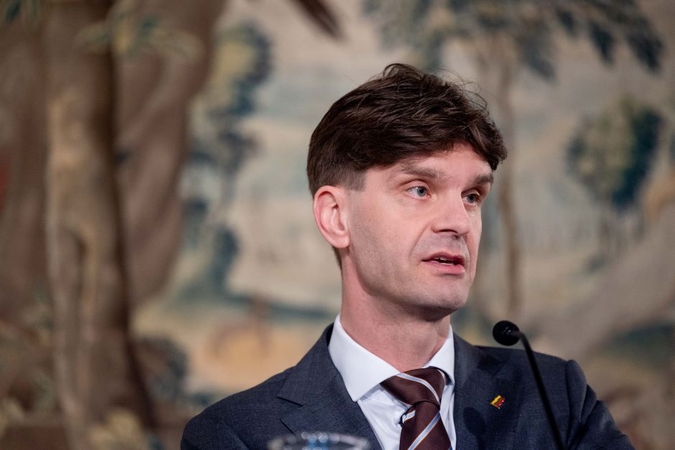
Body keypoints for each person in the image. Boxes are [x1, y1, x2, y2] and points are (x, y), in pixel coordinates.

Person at [181, 64, 633, 450]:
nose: (458, 222)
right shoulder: (235, 435)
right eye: (419, 189)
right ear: (336, 217)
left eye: (472, 196)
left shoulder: (555, 398)